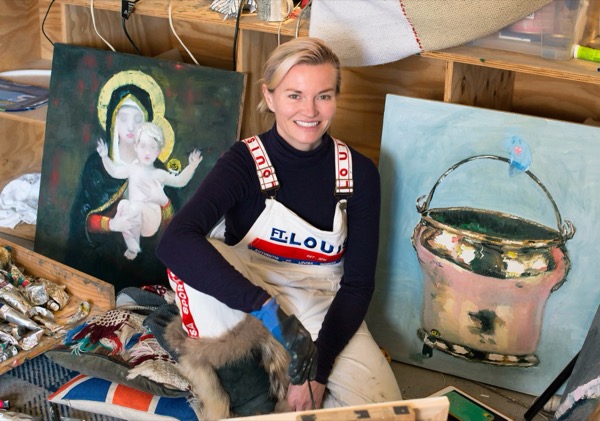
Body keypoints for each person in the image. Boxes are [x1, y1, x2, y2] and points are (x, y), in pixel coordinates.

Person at [156, 37, 402, 412]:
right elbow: (173, 241)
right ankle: (248, 396)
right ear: (269, 97)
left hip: (323, 303)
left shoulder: (359, 173)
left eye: (323, 96)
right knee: (194, 257)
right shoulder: (243, 162)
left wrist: (317, 372)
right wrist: (268, 311)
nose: (310, 110)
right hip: (251, 298)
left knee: (386, 412)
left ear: (336, 97)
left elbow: (358, 286)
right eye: (294, 95)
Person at [66, 70, 181, 289]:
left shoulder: (157, 169)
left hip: (147, 272)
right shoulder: (96, 166)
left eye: (138, 119)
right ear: (112, 119)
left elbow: (175, 228)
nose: (130, 127)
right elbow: (82, 221)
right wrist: (112, 224)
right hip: (100, 268)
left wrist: (163, 202)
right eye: (123, 117)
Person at [97, 122, 202, 260]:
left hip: (150, 220)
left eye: (153, 147)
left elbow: (180, 181)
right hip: (135, 220)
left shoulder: (159, 174)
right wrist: (104, 156)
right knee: (123, 205)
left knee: (133, 206)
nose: (147, 152)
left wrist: (192, 166)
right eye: (143, 146)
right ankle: (132, 245)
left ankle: (134, 248)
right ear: (136, 147)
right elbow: (115, 172)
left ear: (158, 151)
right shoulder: (132, 168)